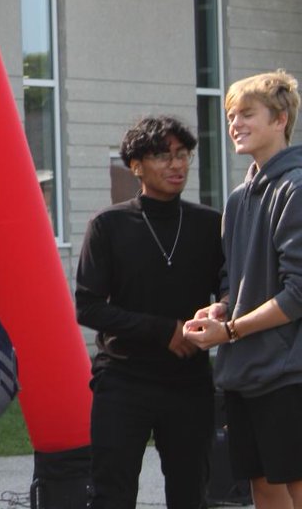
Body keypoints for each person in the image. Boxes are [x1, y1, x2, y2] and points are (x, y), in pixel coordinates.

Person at [75, 117, 223, 509]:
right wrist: (164, 331)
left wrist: (217, 314)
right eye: (163, 156)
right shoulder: (108, 225)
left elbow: (229, 287)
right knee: (112, 495)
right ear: (136, 164)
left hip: (189, 383)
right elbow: (88, 307)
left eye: (182, 155)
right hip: (124, 381)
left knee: (191, 494)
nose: (177, 165)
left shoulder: (210, 224)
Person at [185, 70, 302, 508]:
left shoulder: (297, 186)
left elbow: (298, 293)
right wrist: (221, 311)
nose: (235, 123)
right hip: (246, 372)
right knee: (262, 486)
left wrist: (231, 332)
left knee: (294, 484)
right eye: (231, 115)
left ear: (280, 118)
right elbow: (236, 283)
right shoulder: (238, 198)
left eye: (247, 114)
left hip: (290, 373)